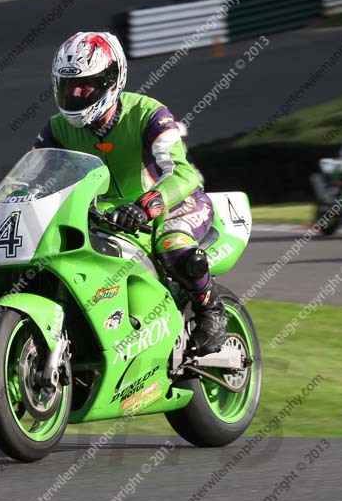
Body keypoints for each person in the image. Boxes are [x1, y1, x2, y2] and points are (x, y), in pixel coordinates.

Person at [33, 31, 226, 356]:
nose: (77, 93)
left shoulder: (148, 113)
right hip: (105, 218)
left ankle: (211, 310)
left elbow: (182, 172)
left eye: (87, 85)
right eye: (70, 86)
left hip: (172, 204)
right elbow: (37, 178)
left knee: (173, 245)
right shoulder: (56, 128)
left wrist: (147, 205)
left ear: (111, 80)